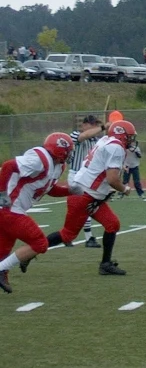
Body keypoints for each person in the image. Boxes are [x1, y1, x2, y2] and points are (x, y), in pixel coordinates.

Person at [40, 120, 138, 276]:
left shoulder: (106, 140)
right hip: (84, 195)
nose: (131, 140)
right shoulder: (116, 147)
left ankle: (105, 264)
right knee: (67, 235)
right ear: (122, 136)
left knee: (112, 224)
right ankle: (30, 251)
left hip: (90, 194)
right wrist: (124, 189)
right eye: (129, 137)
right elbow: (112, 179)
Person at [0, 133, 77, 293]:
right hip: (10, 208)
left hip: (13, 209)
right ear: (60, 150)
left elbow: (49, 189)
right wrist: (2, 193)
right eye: (68, 151)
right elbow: (8, 166)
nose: (70, 155)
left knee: (3, 250)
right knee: (40, 243)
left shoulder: (57, 166)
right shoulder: (39, 159)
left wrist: (70, 191)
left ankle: (3, 269)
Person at [68, 114, 106, 248]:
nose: (95, 127)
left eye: (96, 124)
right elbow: (83, 136)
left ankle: (67, 235)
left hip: (87, 177)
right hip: (76, 175)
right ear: (84, 125)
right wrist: (102, 127)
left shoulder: (96, 140)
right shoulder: (75, 135)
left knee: (79, 208)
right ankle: (88, 237)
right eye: (92, 124)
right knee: (84, 206)